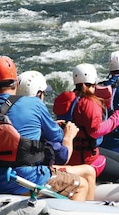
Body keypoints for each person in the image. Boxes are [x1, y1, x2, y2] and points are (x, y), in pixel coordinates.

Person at [0, 56, 88, 201]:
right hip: (32, 182)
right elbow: (58, 139)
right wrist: (68, 136)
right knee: (81, 185)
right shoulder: (34, 104)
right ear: (16, 83)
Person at [17, 70, 97, 200]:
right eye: (43, 93)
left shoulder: (10, 110)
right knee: (86, 176)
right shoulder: (38, 108)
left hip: (6, 176)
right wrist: (68, 136)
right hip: (32, 177)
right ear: (38, 94)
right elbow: (63, 156)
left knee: (88, 171)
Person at [55, 63, 119, 184]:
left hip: (71, 152)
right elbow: (96, 131)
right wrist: (118, 117)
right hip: (86, 159)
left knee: (117, 157)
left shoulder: (67, 99)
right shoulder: (88, 103)